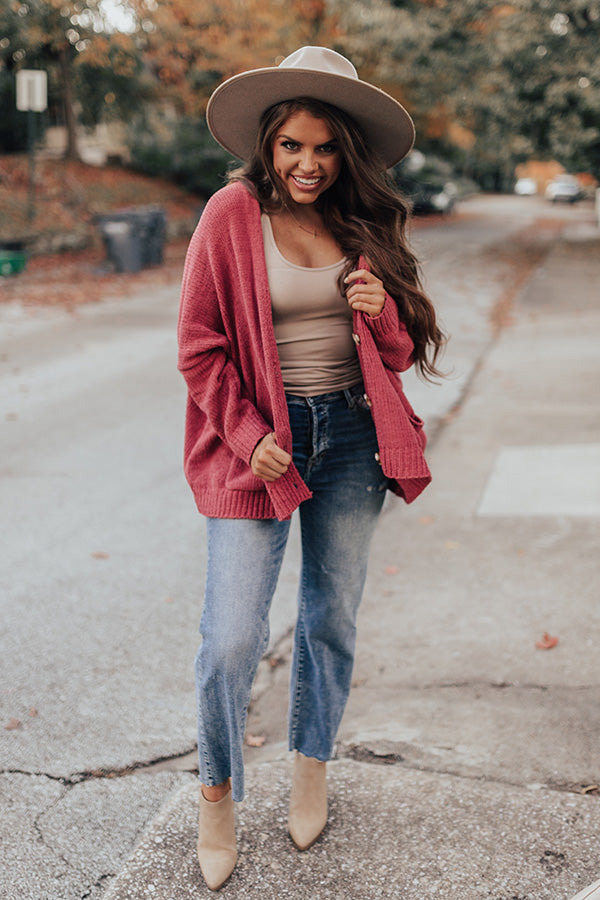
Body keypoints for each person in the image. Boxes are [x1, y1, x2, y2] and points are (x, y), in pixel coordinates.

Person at [177, 46, 445, 891]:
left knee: (330, 619)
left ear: (346, 152)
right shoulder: (230, 213)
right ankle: (217, 792)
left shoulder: (364, 222)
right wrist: (248, 429)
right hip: (260, 442)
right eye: (292, 145)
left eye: (325, 147)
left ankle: (311, 767)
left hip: (355, 440)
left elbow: (399, 351)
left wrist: (384, 308)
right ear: (268, 145)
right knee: (230, 639)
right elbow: (198, 347)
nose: (307, 163)